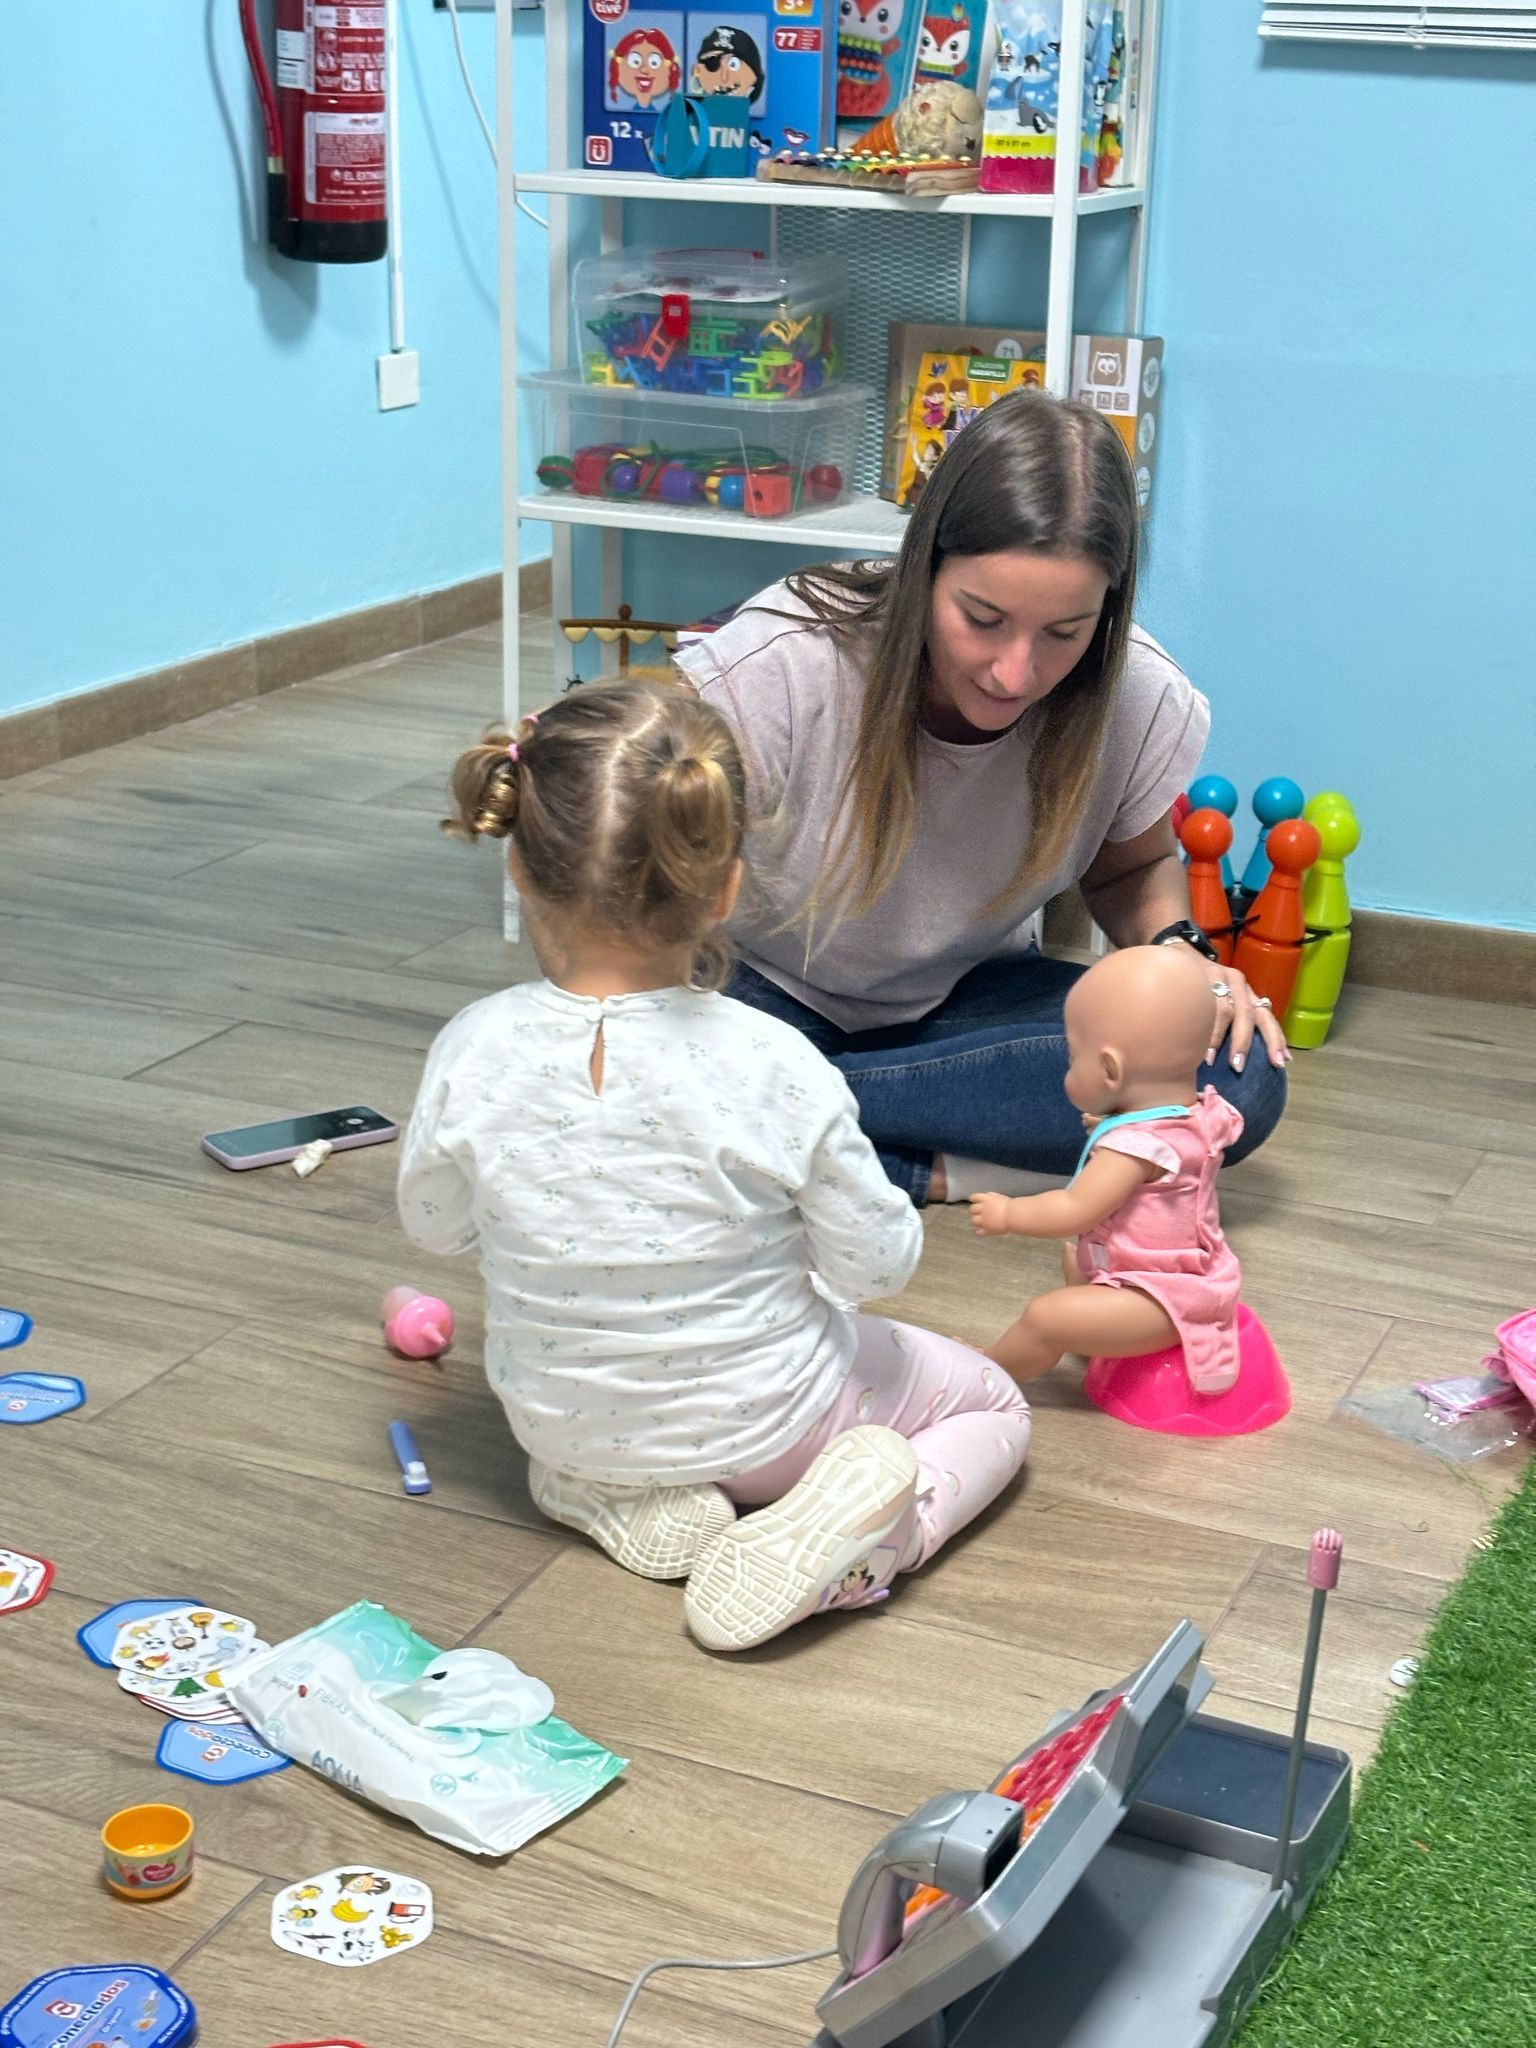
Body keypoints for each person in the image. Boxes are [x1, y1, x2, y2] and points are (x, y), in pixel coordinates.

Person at [398, 680, 1031, 1654]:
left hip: (557, 1415)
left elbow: (436, 1226)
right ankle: (871, 1533)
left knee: (579, 1426)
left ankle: (606, 1483)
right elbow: (876, 1266)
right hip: (777, 1427)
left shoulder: (470, 1047)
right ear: (727, 885)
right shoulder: (773, 1063)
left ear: (520, 866)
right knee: (991, 1401)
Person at [673, 389, 1288, 1209]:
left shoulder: (1138, 694)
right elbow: (644, 890)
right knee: (656, 1050)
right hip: (762, 994)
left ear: (1107, 612)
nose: (1015, 672)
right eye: (982, 618)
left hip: (959, 1009)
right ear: (923, 567)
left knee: (1233, 1083)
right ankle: (912, 1163)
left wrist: (1181, 958)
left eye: (1064, 634)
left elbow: (1133, 869)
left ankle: (764, 1117)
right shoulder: (783, 662)